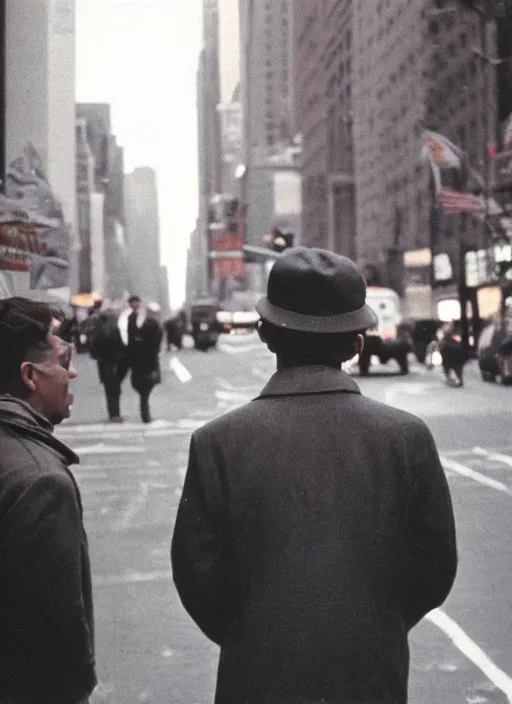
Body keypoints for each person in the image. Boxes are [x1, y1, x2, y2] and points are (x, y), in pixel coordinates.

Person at [171, 247, 457, 704]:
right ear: (357, 341)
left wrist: (252, 635)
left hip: (256, 677)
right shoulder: (406, 437)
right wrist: (378, 623)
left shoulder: (216, 443)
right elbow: (435, 565)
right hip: (372, 674)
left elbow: (196, 574)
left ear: (265, 335)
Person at [0, 297, 96, 704]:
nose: (72, 372)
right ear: (30, 376)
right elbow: (56, 647)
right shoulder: (41, 482)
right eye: (63, 359)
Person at [89, 302, 126, 422]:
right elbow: (120, 346)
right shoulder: (113, 328)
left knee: (110, 389)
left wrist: (98, 356)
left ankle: (113, 414)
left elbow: (94, 346)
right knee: (114, 389)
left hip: (106, 363)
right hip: (112, 362)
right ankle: (115, 414)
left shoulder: (100, 328)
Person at [130, 302, 163, 423]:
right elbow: (153, 350)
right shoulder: (154, 327)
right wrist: (154, 368)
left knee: (144, 393)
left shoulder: (144, 326)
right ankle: (146, 416)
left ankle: (145, 415)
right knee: (145, 392)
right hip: (147, 364)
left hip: (141, 364)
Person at [439, 321, 470, 387]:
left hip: (452, 355)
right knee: (457, 368)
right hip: (457, 354)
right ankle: (458, 380)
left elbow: (444, 352)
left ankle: (451, 379)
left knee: (449, 367)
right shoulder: (453, 338)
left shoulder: (445, 341)